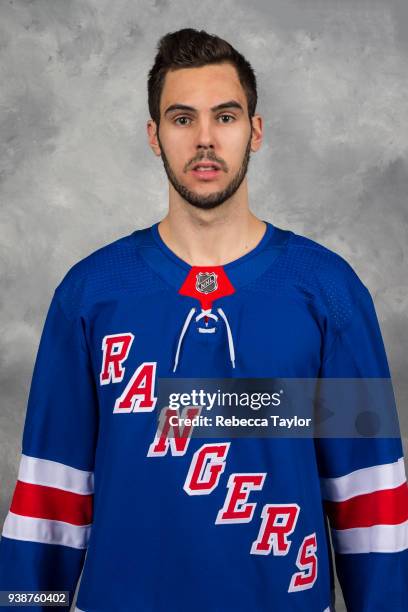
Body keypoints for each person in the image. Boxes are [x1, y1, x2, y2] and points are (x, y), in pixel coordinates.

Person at [0, 27, 407, 612]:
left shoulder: (328, 292)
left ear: (255, 131)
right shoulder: (90, 295)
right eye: (183, 118)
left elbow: (368, 499)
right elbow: (49, 500)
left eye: (226, 116)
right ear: (154, 136)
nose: (206, 139)